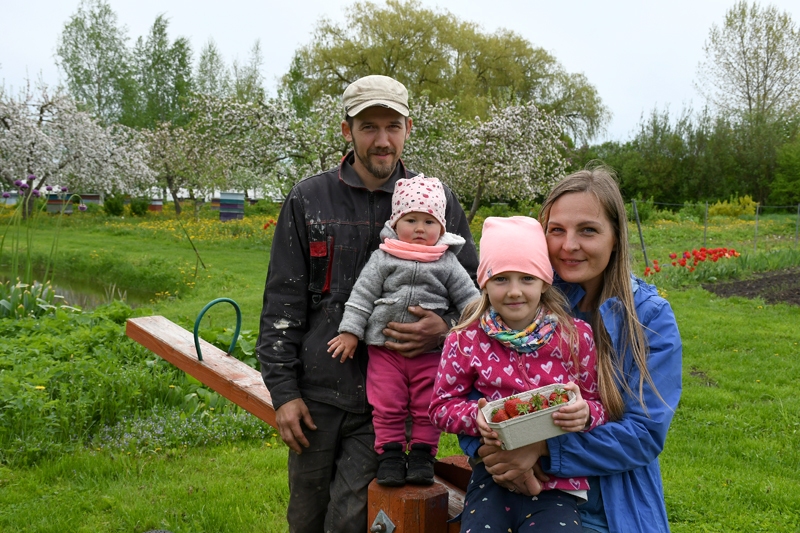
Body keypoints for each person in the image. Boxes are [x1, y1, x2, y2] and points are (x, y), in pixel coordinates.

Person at [256, 74, 478, 533]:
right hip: (318, 394)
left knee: (352, 519)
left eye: (392, 126)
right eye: (369, 127)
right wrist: (284, 393)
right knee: (305, 517)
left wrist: (445, 327)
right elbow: (282, 302)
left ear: (408, 128)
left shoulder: (436, 201)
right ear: (347, 130)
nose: (382, 140)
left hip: (393, 405)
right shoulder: (309, 199)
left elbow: (476, 292)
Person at [475, 165, 683, 533]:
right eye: (557, 230)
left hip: (611, 507)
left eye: (588, 230)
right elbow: (476, 388)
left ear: (615, 237)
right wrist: (489, 450)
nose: (569, 245)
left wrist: (541, 449)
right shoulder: (527, 301)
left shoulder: (649, 319)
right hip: (514, 490)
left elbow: (644, 434)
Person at [430, 216, 606, 533]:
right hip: (492, 476)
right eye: (501, 279)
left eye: (526, 278)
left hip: (558, 483)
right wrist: (477, 417)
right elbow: (441, 406)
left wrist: (584, 414)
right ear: (483, 281)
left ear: (544, 281)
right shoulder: (466, 338)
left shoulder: (574, 335)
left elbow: (597, 404)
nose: (514, 291)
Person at [328, 174, 479, 487]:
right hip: (385, 350)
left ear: (442, 228)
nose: (420, 229)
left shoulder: (447, 262)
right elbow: (362, 295)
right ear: (395, 224)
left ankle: (423, 455)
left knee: (427, 403)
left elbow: (472, 302)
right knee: (387, 402)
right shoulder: (383, 257)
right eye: (411, 220)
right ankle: (391, 456)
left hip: (431, 353)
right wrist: (351, 332)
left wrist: (465, 330)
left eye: (429, 221)